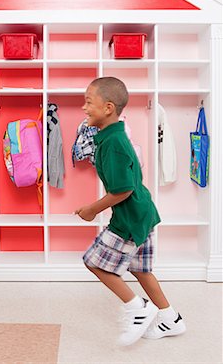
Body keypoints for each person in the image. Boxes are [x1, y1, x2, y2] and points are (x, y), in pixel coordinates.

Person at [75, 77, 186, 346]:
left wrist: (91, 209)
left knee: (93, 262)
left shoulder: (113, 143)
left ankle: (137, 308)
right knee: (141, 269)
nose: (83, 108)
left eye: (89, 102)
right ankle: (171, 318)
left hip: (130, 216)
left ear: (109, 107)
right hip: (143, 212)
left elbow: (122, 190)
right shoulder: (113, 136)